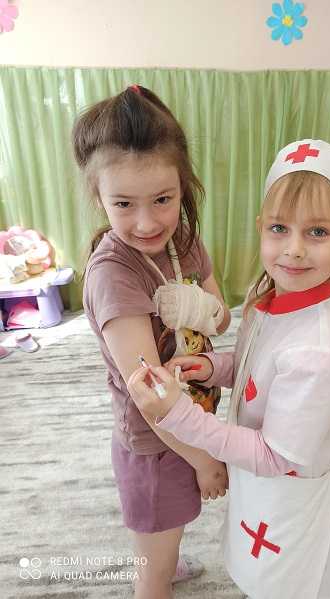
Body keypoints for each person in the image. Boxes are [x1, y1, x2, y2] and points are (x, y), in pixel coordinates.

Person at [127, 139, 330, 599]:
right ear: (260, 228)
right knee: (257, 569)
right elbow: (259, 365)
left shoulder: (319, 353)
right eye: (279, 228)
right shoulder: (272, 296)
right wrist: (214, 367)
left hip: (285, 489)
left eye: (317, 232)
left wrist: (179, 415)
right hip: (259, 482)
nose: (294, 250)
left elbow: (275, 456)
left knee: (286, 584)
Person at [73, 84, 231, 599]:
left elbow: (221, 319)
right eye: (124, 204)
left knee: (168, 527)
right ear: (99, 198)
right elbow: (151, 399)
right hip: (159, 444)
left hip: (194, 418)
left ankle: (164, 556)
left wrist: (200, 308)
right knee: (152, 573)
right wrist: (204, 460)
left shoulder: (182, 238)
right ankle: (156, 573)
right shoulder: (114, 276)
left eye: (163, 199)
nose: (147, 223)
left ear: (183, 187)